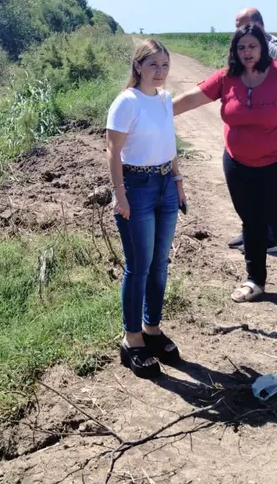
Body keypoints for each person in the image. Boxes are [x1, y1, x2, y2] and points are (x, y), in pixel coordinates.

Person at [174, 23, 277, 318]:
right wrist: (157, 109)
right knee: (250, 223)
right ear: (234, 51)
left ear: (262, 48)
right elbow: (194, 97)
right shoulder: (227, 78)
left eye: (252, 46)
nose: (247, 52)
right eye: (241, 47)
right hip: (239, 165)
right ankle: (256, 281)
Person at [107, 39, 186, 379]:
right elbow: (112, 151)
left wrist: (179, 183)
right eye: (153, 65)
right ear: (138, 66)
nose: (160, 72)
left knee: (160, 265)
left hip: (166, 186)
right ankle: (132, 339)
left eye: (165, 66)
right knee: (138, 266)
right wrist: (119, 194)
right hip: (136, 188)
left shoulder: (165, 100)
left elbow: (169, 145)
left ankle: (152, 329)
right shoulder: (126, 103)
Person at [227, 8, 277, 254]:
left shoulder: (271, 44)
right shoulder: (243, 47)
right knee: (249, 194)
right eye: (236, 25)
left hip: (275, 132)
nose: (238, 29)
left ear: (258, 25)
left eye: (242, 23)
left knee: (272, 191)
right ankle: (251, 233)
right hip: (247, 132)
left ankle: (270, 239)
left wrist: (272, 88)